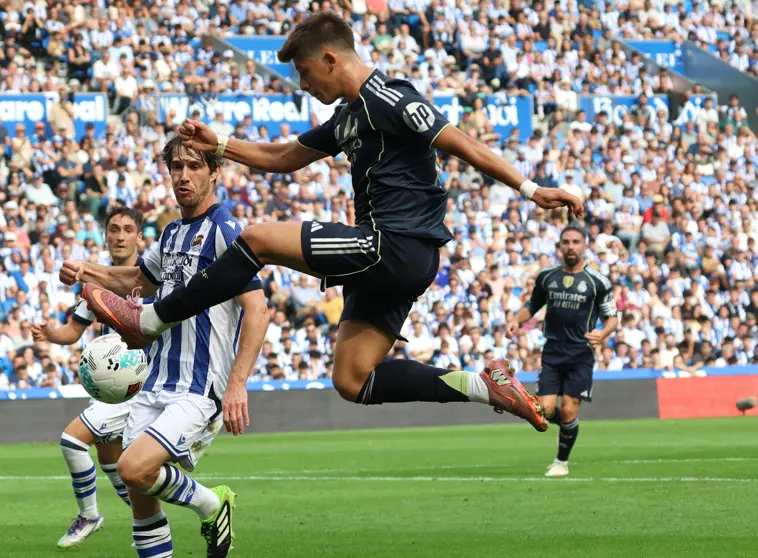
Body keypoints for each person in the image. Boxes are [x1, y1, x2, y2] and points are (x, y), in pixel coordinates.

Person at [70, 12, 583, 433]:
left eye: (306, 72)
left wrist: (531, 189)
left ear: (331, 59)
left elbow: (461, 142)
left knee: (256, 239)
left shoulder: (390, 99)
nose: (303, 84)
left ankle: (153, 319)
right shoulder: (348, 115)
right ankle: (483, 386)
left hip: (393, 245)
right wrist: (220, 144)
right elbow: (284, 157)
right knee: (353, 379)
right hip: (395, 260)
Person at [59, 137, 269, 557]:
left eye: (194, 166)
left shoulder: (226, 232)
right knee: (140, 498)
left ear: (215, 172)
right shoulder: (172, 233)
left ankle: (212, 504)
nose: (183, 176)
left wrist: (238, 384)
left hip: (198, 386)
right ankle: (205, 510)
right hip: (154, 381)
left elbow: (258, 310)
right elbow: (138, 279)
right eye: (176, 167)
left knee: (134, 468)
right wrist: (88, 270)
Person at [34, 206, 145, 548]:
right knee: (111, 460)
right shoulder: (96, 284)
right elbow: (73, 331)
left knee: (72, 441)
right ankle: (148, 519)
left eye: (128, 229)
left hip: (143, 383)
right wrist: (50, 334)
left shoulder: (152, 279)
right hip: (115, 384)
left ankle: (90, 515)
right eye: (114, 229)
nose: (120, 236)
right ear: (105, 236)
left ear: (139, 237)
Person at [506, 225, 619, 477]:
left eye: (576, 242)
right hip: (553, 351)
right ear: (560, 246)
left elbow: (612, 317)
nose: (571, 246)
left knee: (569, 408)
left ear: (585, 245)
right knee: (543, 412)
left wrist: (603, 333)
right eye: (566, 242)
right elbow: (533, 305)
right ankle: (568, 426)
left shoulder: (597, 281)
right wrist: (516, 320)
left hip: (581, 353)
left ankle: (561, 462)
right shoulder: (547, 276)